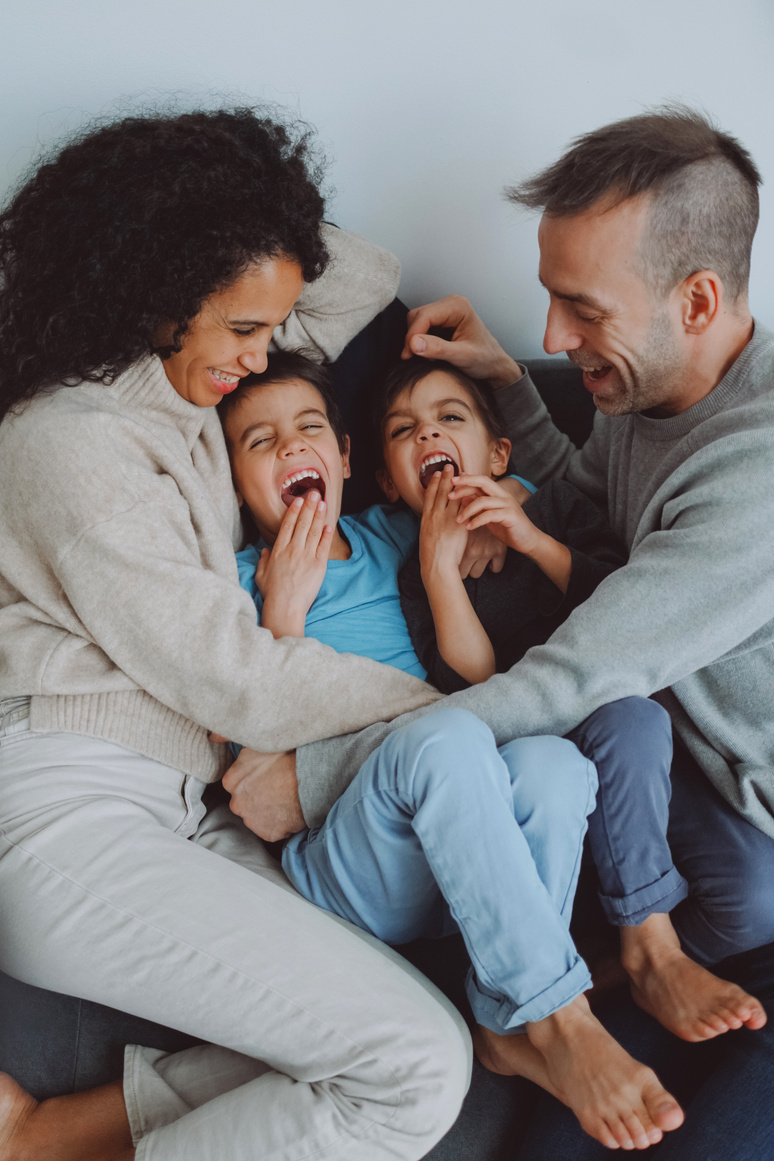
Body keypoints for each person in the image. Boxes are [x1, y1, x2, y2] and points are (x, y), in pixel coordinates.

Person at [223, 106, 774, 1155]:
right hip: (663, 775)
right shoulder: (646, 383)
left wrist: (330, 766)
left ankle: (612, 969)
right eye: (549, 299)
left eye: (579, 307)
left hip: (747, 826)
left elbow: (582, 669)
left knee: (619, 758)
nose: (556, 337)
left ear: (696, 300)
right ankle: (552, 998)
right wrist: (510, 391)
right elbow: (585, 513)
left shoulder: (759, 473)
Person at [0, 107, 475, 1161]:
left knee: (449, 982)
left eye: (273, 327)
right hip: (77, 819)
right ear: (157, 300)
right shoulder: (69, 445)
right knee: (417, 1070)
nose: (268, 359)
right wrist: (472, 713)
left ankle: (45, 1137)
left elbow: (363, 270)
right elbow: (238, 683)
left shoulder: (189, 383)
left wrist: (246, 220)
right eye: (246, 330)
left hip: (183, 808)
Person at [220, 350, 686, 1151]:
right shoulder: (238, 583)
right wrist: (283, 618)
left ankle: (504, 1021)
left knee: (553, 762)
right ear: (232, 481)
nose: (292, 448)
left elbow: (493, 477)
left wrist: (500, 497)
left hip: (461, 858)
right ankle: (558, 1012)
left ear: (345, 460)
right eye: (259, 443)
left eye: (308, 430)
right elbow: (258, 777)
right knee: (447, 733)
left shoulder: (395, 532)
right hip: (348, 862)